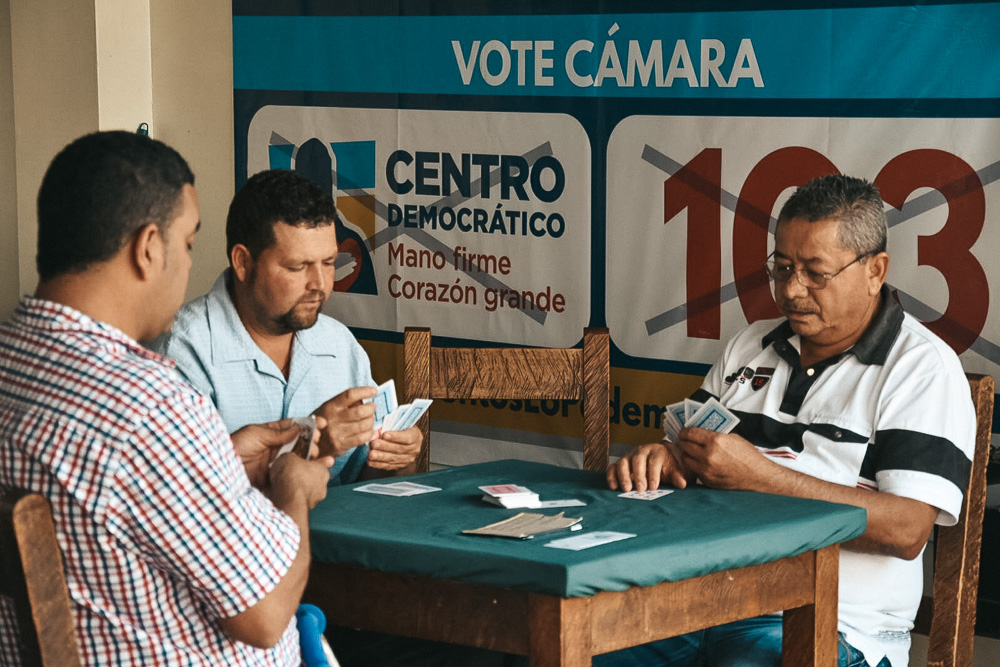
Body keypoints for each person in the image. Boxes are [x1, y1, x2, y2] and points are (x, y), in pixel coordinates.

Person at [605, 175, 975, 667]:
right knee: (576, 645)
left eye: (814, 273)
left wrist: (759, 478)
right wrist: (664, 460)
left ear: (875, 270)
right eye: (782, 268)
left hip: (833, 625)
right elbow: (692, 458)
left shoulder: (921, 368)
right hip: (699, 604)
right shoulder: (748, 345)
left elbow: (908, 531)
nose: (792, 290)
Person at [0, 131, 334, 666]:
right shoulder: (149, 406)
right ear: (148, 248)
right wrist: (294, 490)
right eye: (188, 244)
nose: (187, 265)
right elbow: (267, 616)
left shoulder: (13, 365)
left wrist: (221, 461)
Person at [151, 169, 421, 484]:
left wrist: (397, 460)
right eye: (297, 267)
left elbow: (367, 486)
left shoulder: (340, 345)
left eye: (329, 263)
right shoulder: (182, 352)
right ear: (242, 262)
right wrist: (311, 443)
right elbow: (179, 499)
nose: (319, 285)